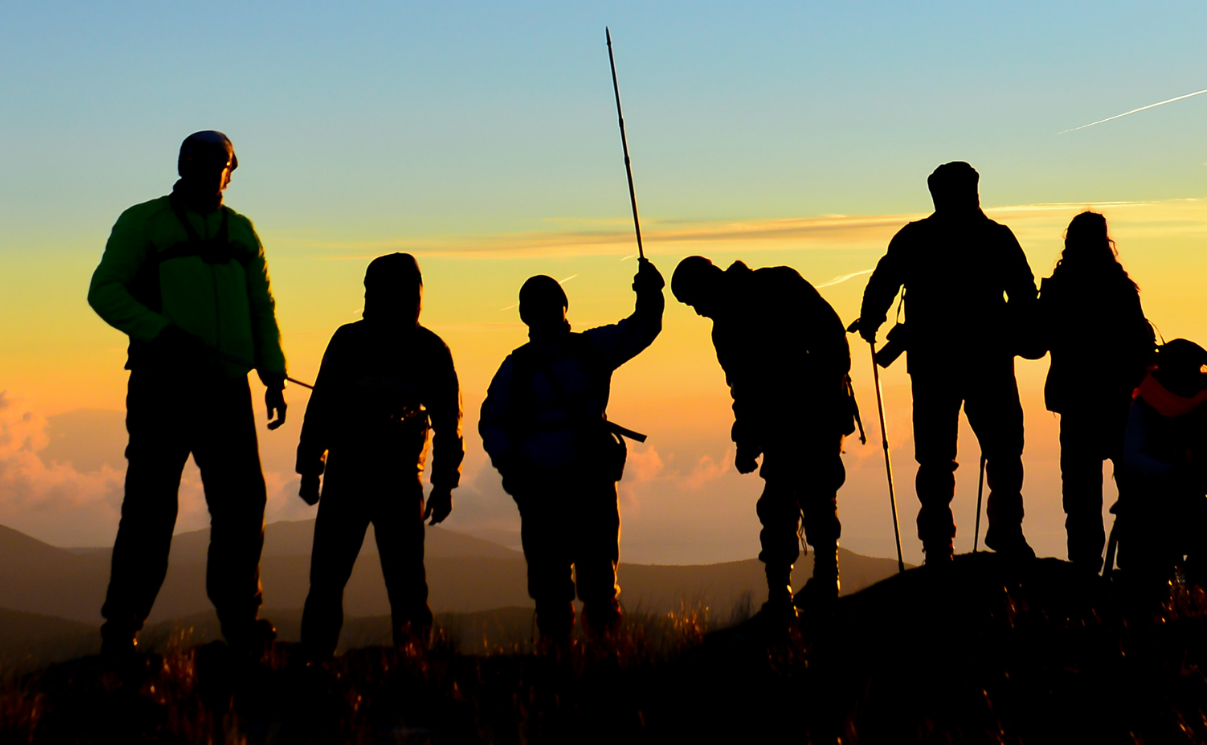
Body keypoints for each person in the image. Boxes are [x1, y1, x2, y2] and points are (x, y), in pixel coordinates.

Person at [88, 130, 290, 656]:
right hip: (163, 386)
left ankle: (239, 622)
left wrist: (272, 372)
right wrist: (160, 332)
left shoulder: (240, 231)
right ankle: (123, 627)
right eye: (201, 163)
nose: (208, 172)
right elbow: (104, 292)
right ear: (185, 166)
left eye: (216, 164)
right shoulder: (144, 222)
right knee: (152, 510)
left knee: (240, 506)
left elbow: (260, 306)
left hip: (226, 389)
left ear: (228, 171)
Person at [852, 162, 1044, 565]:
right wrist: (1022, 333)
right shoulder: (996, 238)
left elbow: (884, 280)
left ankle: (938, 544)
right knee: (1004, 450)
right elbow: (1025, 297)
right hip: (988, 361)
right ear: (974, 192)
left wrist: (870, 320)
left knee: (936, 456)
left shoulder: (914, 238)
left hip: (932, 363)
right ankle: (1007, 532)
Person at [481, 261, 664, 642]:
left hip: (543, 487)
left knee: (553, 590)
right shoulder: (591, 349)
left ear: (525, 315)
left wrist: (513, 471)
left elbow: (493, 423)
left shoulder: (517, 367)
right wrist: (649, 294)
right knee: (596, 586)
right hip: (587, 482)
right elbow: (642, 328)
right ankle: (603, 658)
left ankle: (558, 662)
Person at [292, 253, 460, 658]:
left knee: (338, 580)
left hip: (357, 477)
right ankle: (411, 665)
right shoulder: (428, 348)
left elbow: (321, 408)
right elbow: (447, 425)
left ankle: (316, 661)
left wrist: (311, 468)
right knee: (399, 584)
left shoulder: (352, 340)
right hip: (390, 479)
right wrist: (443, 486)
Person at [672, 256, 856, 614]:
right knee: (785, 504)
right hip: (788, 422)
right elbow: (744, 391)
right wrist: (746, 440)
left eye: (694, 300)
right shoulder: (728, 325)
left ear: (708, 283)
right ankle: (793, 591)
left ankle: (809, 587)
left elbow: (831, 337)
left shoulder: (775, 287)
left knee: (806, 496)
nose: (697, 310)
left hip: (814, 412)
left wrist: (821, 389)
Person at [1037, 212, 1157, 575]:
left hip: (1077, 404)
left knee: (1080, 492)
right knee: (1132, 489)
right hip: (1121, 404)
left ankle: (1085, 566)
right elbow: (1142, 346)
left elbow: (1037, 342)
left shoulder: (1059, 288)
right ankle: (1132, 567)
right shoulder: (1120, 287)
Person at [1114, 340, 1207, 598]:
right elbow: (1133, 458)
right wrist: (1169, 473)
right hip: (1148, 506)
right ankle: (1181, 592)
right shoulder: (1147, 405)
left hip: (1194, 506)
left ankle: (1194, 589)